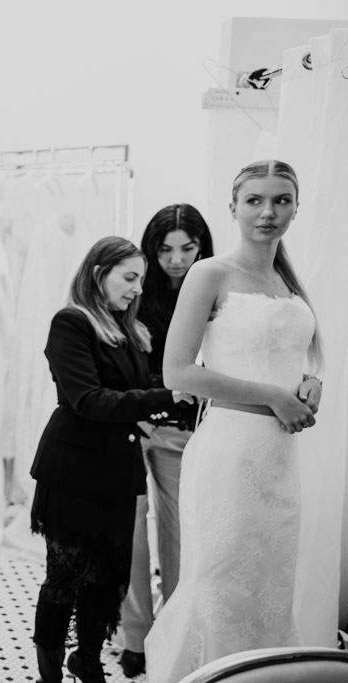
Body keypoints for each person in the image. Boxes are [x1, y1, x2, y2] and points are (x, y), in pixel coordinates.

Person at [143, 160, 323, 682]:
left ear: (295, 206)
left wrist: (308, 386)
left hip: (279, 455)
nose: (268, 212)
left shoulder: (287, 279)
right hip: (231, 451)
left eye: (282, 200)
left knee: (270, 584)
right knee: (221, 584)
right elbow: (177, 371)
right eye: (255, 200)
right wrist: (273, 396)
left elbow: (284, 355)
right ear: (234, 208)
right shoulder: (210, 273)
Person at [29, 236, 191, 683]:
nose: (139, 288)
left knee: (106, 576)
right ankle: (49, 673)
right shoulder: (71, 322)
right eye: (130, 277)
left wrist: (178, 401)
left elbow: (134, 396)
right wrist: (162, 398)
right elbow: (88, 400)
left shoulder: (131, 331)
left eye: (141, 279)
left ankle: (87, 659)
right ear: (99, 273)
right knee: (64, 576)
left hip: (119, 469)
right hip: (74, 470)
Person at [115, 205, 214, 677]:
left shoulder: (215, 290)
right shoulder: (137, 294)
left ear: (201, 247)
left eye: (187, 248)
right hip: (133, 427)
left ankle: (172, 632)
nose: (176, 259)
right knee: (130, 531)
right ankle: (134, 635)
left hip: (183, 429)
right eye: (165, 249)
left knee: (178, 532)